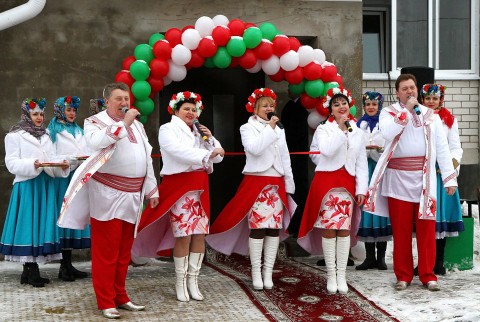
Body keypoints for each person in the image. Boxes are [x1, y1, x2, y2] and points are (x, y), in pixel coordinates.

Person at [57, 82, 159, 319]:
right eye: (119, 99)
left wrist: (152, 189)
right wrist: (124, 123)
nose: (125, 103)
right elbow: (96, 143)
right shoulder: (94, 122)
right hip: (107, 194)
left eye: (127, 98)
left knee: (124, 251)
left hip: (133, 194)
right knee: (107, 251)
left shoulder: (139, 127)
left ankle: (120, 296)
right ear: (107, 101)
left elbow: (146, 158)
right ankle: (105, 301)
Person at [364, 74, 457, 292]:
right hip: (398, 181)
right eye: (404, 89)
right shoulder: (388, 113)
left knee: (426, 229)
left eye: (412, 88)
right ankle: (403, 275)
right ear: (397, 93)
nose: (410, 92)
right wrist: (405, 111)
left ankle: (428, 274)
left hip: (424, 180)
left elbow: (442, 148)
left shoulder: (430, 115)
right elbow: (387, 133)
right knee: (402, 230)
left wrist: (449, 177)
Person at [132, 91, 224, 302]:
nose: (191, 113)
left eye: (194, 110)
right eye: (186, 109)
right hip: (180, 187)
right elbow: (175, 151)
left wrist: (210, 141)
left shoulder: (199, 131)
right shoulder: (167, 129)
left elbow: (219, 155)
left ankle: (194, 280)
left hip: (200, 187)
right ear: (176, 110)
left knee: (200, 234)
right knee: (184, 234)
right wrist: (205, 154)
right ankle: (180, 281)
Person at [207, 88, 296, 291]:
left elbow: (285, 158)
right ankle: (256, 271)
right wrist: (270, 129)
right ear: (255, 109)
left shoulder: (279, 129)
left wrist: (289, 184)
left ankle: (268, 272)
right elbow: (255, 149)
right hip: (257, 182)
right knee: (258, 228)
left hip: (276, 183)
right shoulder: (247, 128)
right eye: (264, 105)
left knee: (274, 228)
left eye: (271, 105)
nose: (269, 108)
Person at [297, 87, 368, 294]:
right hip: (327, 183)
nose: (341, 107)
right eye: (336, 104)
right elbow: (325, 151)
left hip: (347, 184)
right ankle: (331, 274)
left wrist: (361, 188)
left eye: (343, 103)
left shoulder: (358, 131)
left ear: (349, 105)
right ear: (330, 109)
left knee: (344, 229)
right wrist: (340, 129)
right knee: (329, 228)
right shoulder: (324, 129)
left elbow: (361, 163)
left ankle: (342, 275)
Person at [0, 98, 70, 288]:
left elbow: (52, 158)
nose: (39, 118)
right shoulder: (14, 136)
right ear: (27, 114)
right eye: (35, 114)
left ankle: (28, 271)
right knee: (29, 226)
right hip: (28, 185)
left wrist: (62, 164)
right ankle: (31, 270)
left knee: (39, 226)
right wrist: (32, 164)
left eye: (41, 114)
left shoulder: (47, 134)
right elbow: (11, 163)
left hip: (45, 184)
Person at [419, 83, 463, 275]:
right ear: (422, 99)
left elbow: (455, 147)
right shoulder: (417, 118)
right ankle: (423, 262)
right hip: (423, 175)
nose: (431, 102)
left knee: (440, 219)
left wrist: (450, 168)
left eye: (434, 98)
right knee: (424, 220)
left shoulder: (449, 120)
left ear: (440, 99)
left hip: (440, 175)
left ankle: (438, 262)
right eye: (427, 98)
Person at [48, 96, 91, 281]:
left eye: (74, 110)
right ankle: (63, 266)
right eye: (68, 110)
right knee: (64, 219)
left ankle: (68, 264)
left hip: (77, 179)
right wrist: (69, 160)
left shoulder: (79, 130)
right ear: (59, 110)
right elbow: (51, 155)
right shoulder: (52, 132)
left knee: (74, 219)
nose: (72, 113)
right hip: (62, 180)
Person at [355, 91, 392, 271]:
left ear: (379, 106)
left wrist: (377, 150)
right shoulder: (357, 125)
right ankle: (369, 257)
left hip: (379, 172)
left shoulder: (384, 125)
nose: (371, 107)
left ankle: (381, 257)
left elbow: (389, 148)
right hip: (364, 171)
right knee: (366, 213)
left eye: (374, 105)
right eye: (368, 104)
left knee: (379, 210)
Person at [281, 91, 309, 238]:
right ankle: (294, 223)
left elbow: (295, 131)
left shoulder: (300, 106)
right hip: (290, 155)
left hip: (296, 156)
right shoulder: (292, 105)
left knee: (299, 189)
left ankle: (298, 225)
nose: (288, 90)